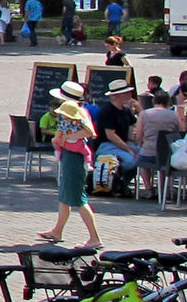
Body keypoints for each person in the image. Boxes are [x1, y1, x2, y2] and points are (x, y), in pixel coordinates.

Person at [42, 99, 102, 246]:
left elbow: (90, 132)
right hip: (69, 157)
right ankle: (57, 231)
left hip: (76, 160)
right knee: (65, 197)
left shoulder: (79, 113)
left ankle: (94, 238)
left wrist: (69, 137)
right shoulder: (70, 115)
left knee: (79, 199)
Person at [92, 82, 142, 194]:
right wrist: (128, 148)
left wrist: (140, 109)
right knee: (130, 160)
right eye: (127, 93)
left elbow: (136, 126)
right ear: (118, 95)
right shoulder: (107, 111)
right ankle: (118, 182)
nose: (130, 95)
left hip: (123, 143)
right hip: (107, 145)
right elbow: (111, 136)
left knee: (143, 155)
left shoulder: (126, 111)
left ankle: (121, 183)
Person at [137, 92, 185, 201]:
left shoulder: (144, 114)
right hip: (167, 155)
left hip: (148, 153)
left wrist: (140, 144)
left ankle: (148, 189)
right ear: (168, 102)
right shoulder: (174, 115)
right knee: (163, 164)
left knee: (142, 162)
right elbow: (181, 132)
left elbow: (139, 135)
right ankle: (164, 189)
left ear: (154, 101)